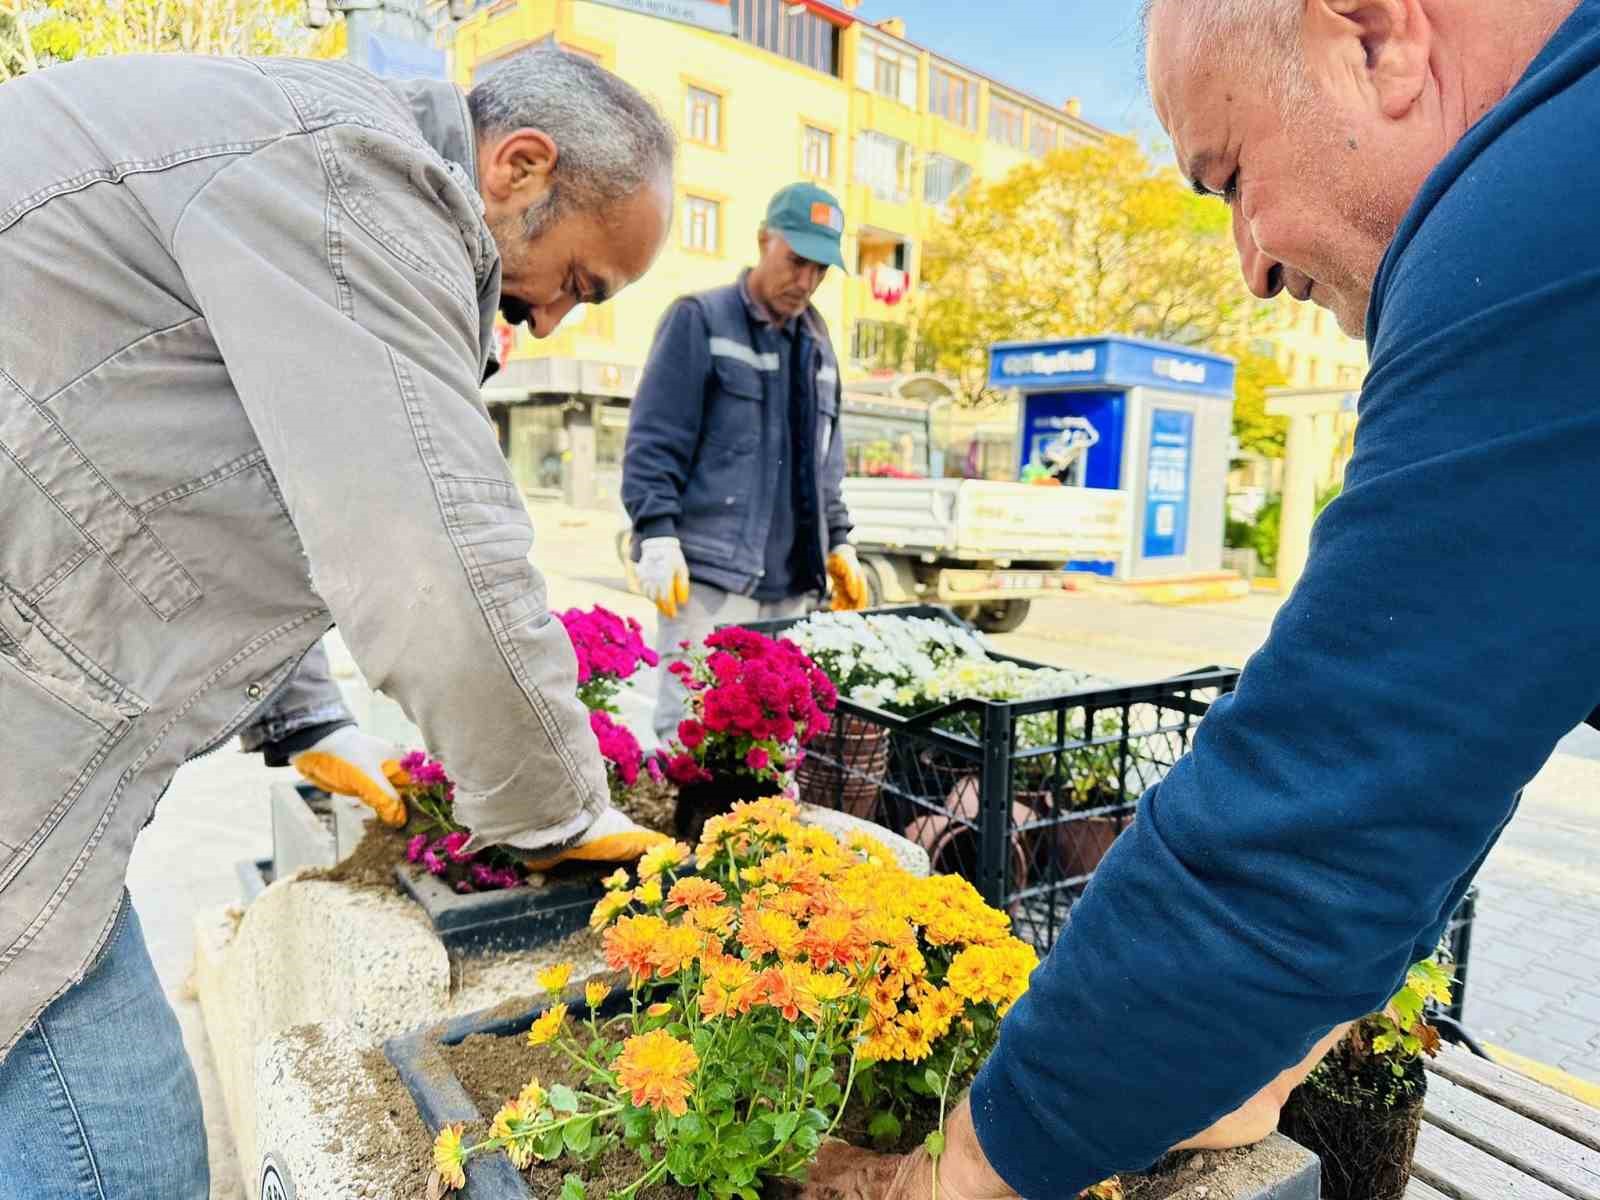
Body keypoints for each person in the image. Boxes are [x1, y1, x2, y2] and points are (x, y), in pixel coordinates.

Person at [802, 0, 1600, 1195]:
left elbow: (1316, 809)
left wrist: (955, 1172)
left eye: (1228, 178)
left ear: (1373, 39)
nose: (1252, 265)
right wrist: (1267, 1068)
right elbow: (1454, 739)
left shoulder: (1541, 217)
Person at [0, 48, 676, 1197]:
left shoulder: (297, 141)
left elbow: (226, 470)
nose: (557, 321)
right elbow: (431, 547)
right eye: (580, 280)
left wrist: (304, 712)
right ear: (519, 167)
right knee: (119, 1148)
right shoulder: (356, 175)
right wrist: (558, 814)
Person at [621, 183, 870, 744]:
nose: (805, 281)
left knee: (768, 747)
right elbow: (654, 440)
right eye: (796, 261)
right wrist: (656, 533)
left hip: (793, 588)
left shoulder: (818, 344)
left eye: (820, 270)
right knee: (691, 734)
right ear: (764, 240)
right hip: (711, 581)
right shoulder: (702, 320)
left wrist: (839, 542)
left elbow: (828, 463)